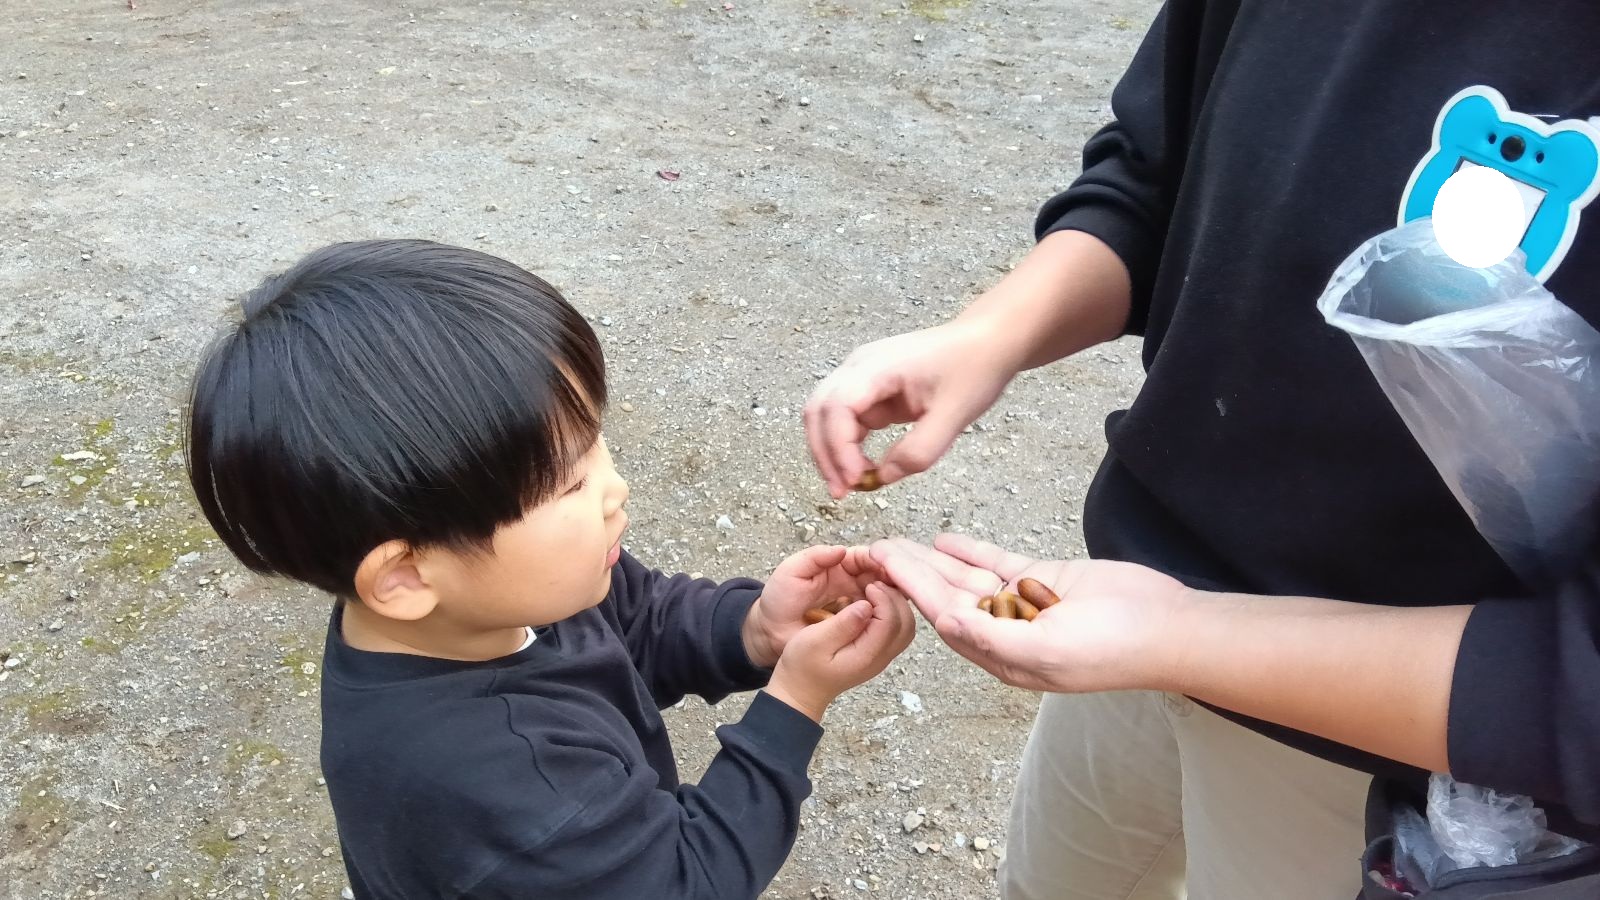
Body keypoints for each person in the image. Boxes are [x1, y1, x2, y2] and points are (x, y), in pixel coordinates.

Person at [804, 3, 1600, 898]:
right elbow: (1154, 168)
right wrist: (989, 335)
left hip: (1388, 746)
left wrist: (1178, 635)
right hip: (1128, 611)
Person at [184, 240, 917, 899]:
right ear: (405, 577)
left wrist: (755, 629)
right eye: (570, 482)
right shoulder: (502, 784)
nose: (615, 487)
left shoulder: (493, 599)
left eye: (597, 443)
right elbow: (688, 880)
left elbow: (639, 619)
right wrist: (794, 704)